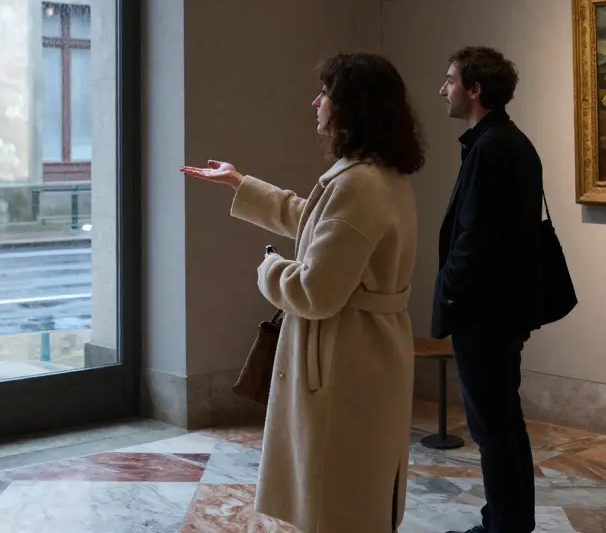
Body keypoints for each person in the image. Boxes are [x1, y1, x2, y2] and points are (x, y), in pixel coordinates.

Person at [182, 51, 425, 533]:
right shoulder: (378, 175)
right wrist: (240, 183)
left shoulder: (357, 184)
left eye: (326, 94)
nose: (316, 102)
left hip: (345, 356)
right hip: (367, 349)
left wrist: (269, 268)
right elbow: (315, 221)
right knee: (356, 487)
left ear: (350, 107)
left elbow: (315, 292)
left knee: (336, 494)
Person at [433, 46, 543, 533]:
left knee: (494, 429)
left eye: (451, 80)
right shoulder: (503, 140)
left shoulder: (493, 146)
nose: (444, 89)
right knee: (502, 425)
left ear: (475, 89)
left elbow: (475, 239)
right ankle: (504, 520)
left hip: (485, 313)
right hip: (500, 309)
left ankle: (505, 527)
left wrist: (449, 292)